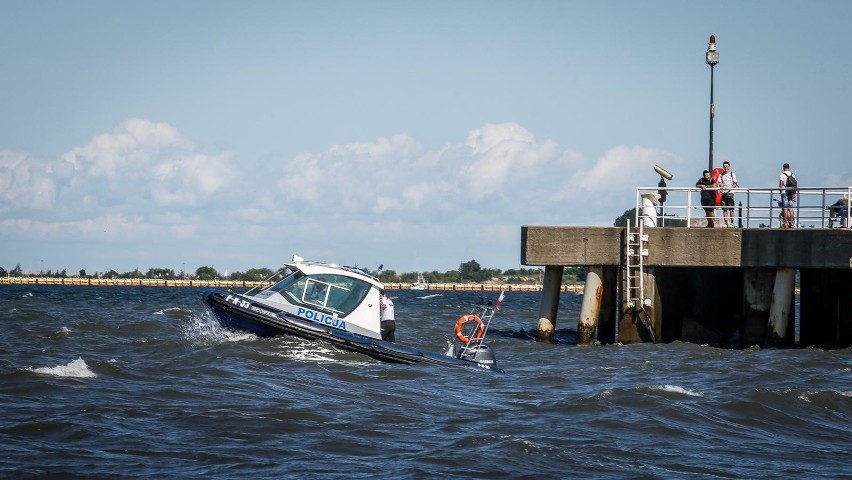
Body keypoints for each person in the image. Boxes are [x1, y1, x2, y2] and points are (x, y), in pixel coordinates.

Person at [717, 161, 739, 227]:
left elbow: (735, 184)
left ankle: (732, 222)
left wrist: (730, 187)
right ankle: (726, 223)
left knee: (731, 208)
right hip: (724, 193)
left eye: (727, 166)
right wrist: (722, 186)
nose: (726, 168)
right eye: (724, 166)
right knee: (724, 209)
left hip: (730, 193)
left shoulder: (732, 174)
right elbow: (719, 183)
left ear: (729, 166)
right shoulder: (721, 175)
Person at [778, 163, 796, 228]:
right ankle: (792, 223)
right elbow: (795, 183)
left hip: (784, 192)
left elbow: (781, 184)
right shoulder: (792, 174)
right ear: (789, 167)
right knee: (791, 208)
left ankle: (786, 223)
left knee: (785, 208)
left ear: (783, 167)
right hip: (791, 192)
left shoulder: (782, 175)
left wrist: (780, 191)